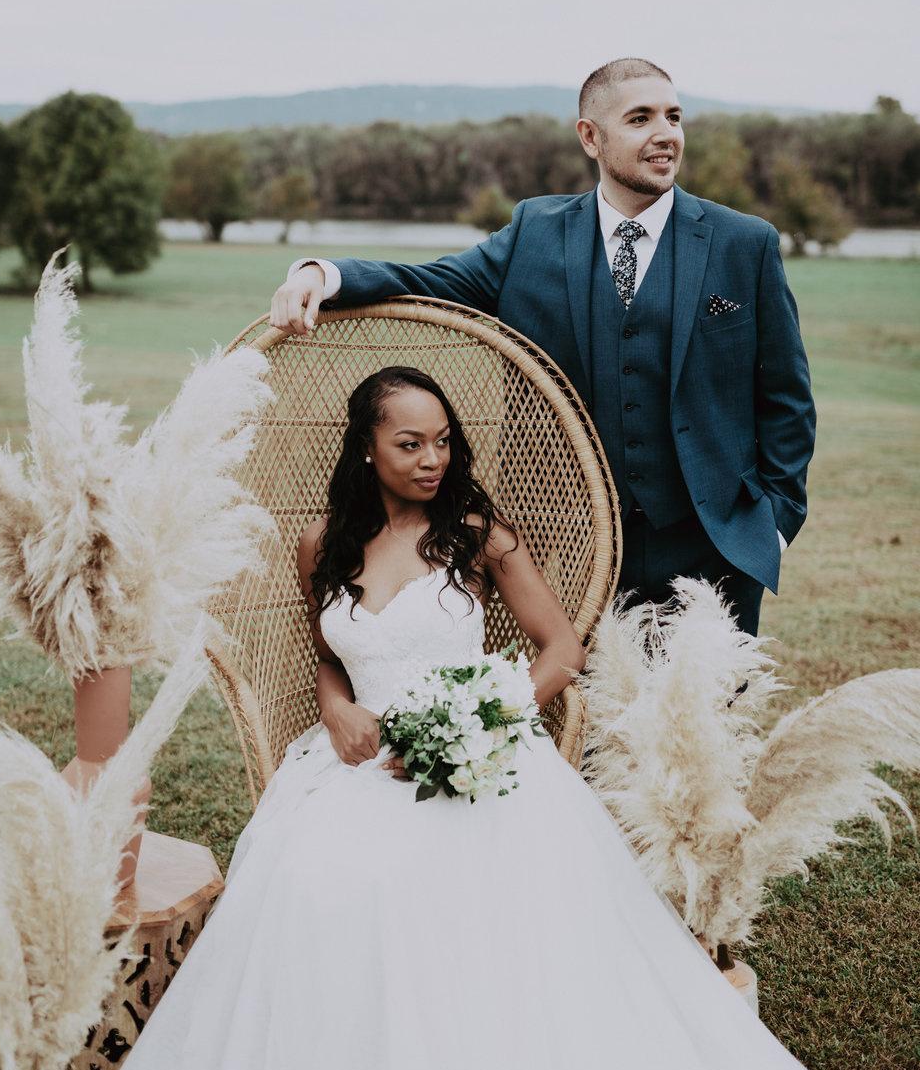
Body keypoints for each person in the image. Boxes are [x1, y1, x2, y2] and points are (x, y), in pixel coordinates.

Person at [94, 368, 880, 1070]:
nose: (432, 458)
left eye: (442, 440)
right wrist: (336, 710)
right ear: (366, 448)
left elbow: (562, 649)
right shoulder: (322, 543)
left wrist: (483, 718)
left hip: (484, 762)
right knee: (313, 888)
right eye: (409, 443)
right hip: (355, 768)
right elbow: (332, 659)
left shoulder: (476, 534)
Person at [271, 57, 817, 636]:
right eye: (640, 118)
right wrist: (321, 274)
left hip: (715, 544)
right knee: (588, 718)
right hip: (571, 544)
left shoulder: (744, 243)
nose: (665, 134)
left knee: (707, 720)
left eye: (673, 116)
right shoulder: (535, 232)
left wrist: (774, 523)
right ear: (590, 136)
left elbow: (787, 398)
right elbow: (430, 281)